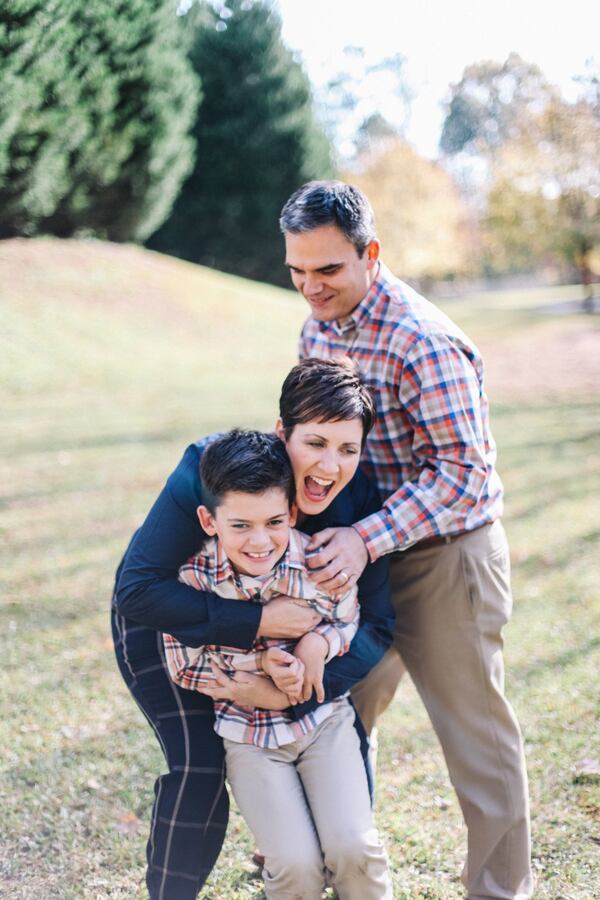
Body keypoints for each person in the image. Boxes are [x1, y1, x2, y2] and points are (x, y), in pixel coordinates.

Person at [279, 180, 533, 900]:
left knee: (476, 741)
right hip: (361, 554)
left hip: (448, 558)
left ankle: (499, 890)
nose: (311, 289)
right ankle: (331, 866)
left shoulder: (424, 339)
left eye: (327, 270)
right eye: (297, 272)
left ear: (371, 254)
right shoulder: (317, 329)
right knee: (335, 714)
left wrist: (367, 538)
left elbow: (463, 473)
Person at [112, 357, 394, 900]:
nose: (329, 467)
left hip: (295, 670)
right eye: (314, 443)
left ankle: (316, 863)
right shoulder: (209, 468)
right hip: (172, 617)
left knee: (344, 824)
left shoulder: (359, 505)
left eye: (347, 449)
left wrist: (301, 684)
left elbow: (375, 623)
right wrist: (260, 624)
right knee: (197, 767)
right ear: (281, 433)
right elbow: (139, 591)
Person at [164, 428, 392, 899]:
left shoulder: (316, 561)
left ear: (291, 513)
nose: (260, 542)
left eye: (272, 522)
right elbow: (182, 663)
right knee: (294, 866)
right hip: (249, 740)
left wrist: (317, 646)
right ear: (209, 521)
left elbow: (347, 619)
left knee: (355, 849)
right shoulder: (193, 580)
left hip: (324, 725)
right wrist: (257, 665)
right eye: (240, 526)